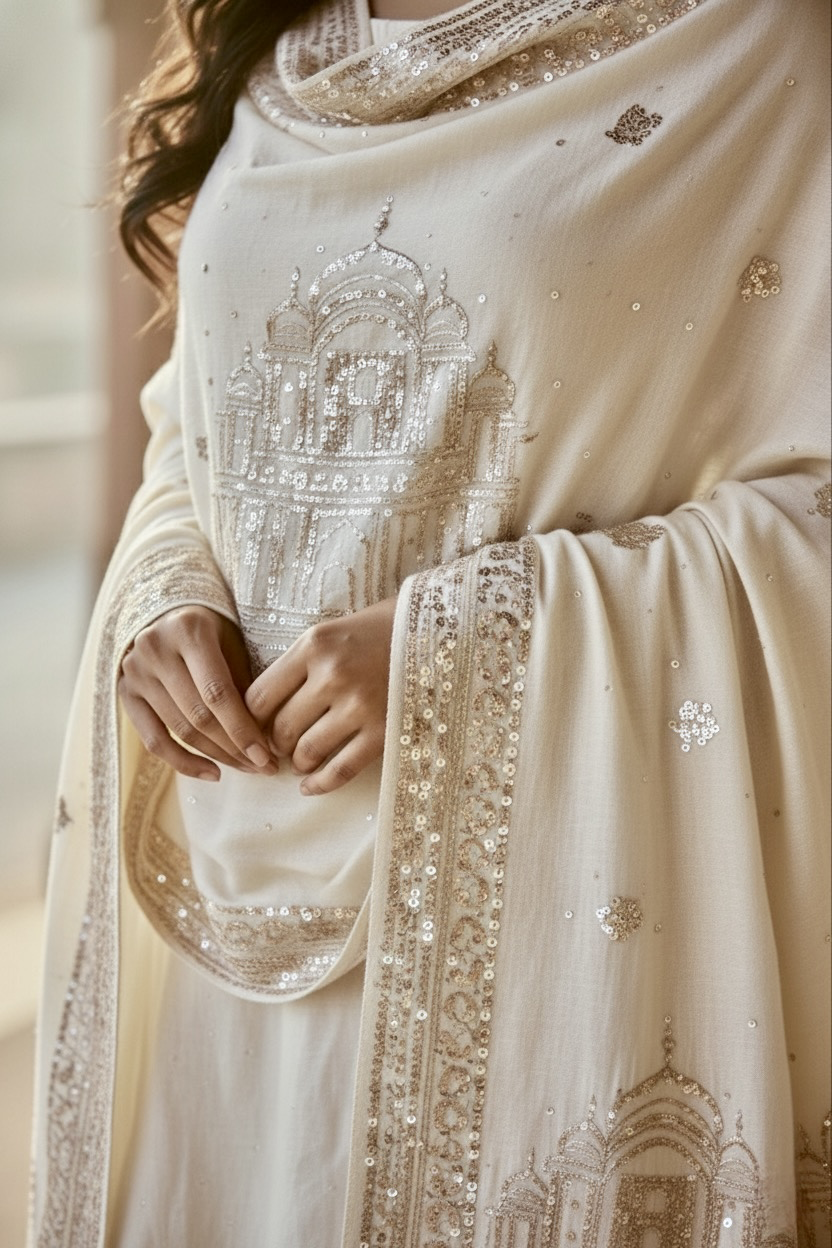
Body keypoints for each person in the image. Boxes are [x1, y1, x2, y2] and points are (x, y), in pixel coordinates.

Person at [29, 0, 831, 1244]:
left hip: (543, 897)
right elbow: (201, 426)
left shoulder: (749, 49)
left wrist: (465, 647)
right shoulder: (280, 44)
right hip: (218, 906)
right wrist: (165, 589)